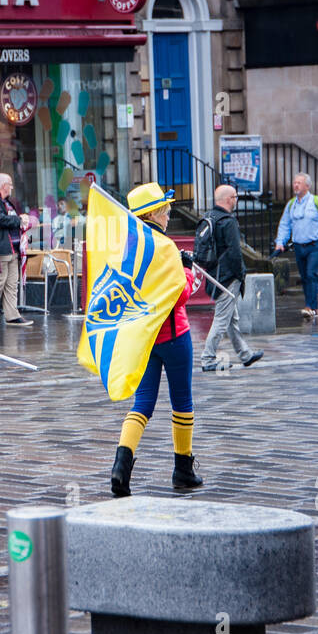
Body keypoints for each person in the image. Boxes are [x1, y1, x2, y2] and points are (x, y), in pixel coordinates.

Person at [109, 183, 204, 498]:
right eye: (165, 210)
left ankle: (121, 468)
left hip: (143, 339)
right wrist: (188, 270)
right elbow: (180, 296)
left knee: (142, 404)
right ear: (153, 213)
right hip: (174, 337)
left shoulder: (128, 248)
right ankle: (183, 470)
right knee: (182, 403)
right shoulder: (164, 247)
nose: (168, 214)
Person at [198, 184, 263, 372]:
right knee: (221, 319)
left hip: (214, 274)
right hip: (228, 277)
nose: (236, 200)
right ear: (228, 200)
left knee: (231, 318)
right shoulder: (228, 221)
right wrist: (240, 274)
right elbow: (235, 252)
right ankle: (208, 358)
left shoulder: (209, 217)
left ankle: (245, 354)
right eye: (235, 197)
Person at [274, 172, 318, 321]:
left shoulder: (317, 202)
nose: (295, 185)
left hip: (315, 245)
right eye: (294, 182)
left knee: (310, 274)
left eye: (299, 183)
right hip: (298, 245)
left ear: (307, 186)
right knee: (304, 276)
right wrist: (280, 242)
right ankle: (309, 304)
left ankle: (312, 307)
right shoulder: (291, 204)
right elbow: (285, 224)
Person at [0, 172, 32, 326]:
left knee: (12, 283)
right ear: (4, 186)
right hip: (2, 248)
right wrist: (19, 219)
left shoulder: (6, 201)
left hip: (12, 248)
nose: (12, 187)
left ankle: (12, 314)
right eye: (10, 184)